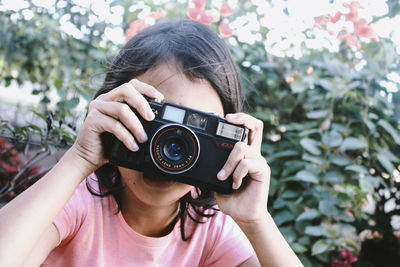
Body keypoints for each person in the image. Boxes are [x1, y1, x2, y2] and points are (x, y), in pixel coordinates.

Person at [0, 19, 302, 267]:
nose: (171, 148)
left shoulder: (210, 230)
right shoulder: (78, 204)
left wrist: (256, 220)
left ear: (229, 136)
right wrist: (80, 158)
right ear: (114, 109)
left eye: (197, 129)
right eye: (154, 118)